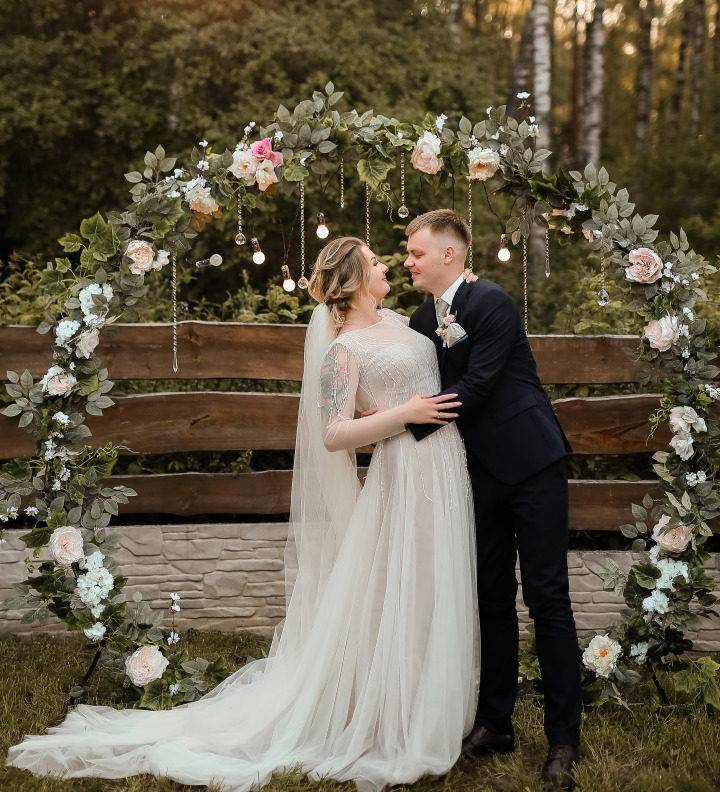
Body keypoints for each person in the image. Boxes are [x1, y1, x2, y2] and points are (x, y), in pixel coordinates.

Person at [8, 236, 479, 792]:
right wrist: (402, 414)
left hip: (444, 469)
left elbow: (440, 350)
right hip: (401, 477)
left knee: (433, 583)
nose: (386, 267)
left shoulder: (403, 322)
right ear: (352, 281)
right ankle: (387, 714)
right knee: (396, 588)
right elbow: (333, 434)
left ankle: (431, 699)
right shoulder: (343, 350)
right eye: (375, 262)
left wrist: (462, 292)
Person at [403, 210, 582, 792]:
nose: (408, 260)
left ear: (449, 255)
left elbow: (477, 386)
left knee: (547, 597)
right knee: (490, 597)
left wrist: (401, 427)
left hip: (531, 463)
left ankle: (563, 738)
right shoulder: (417, 319)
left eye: (416, 252)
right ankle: (495, 723)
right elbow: (412, 380)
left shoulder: (492, 303)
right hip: (474, 474)